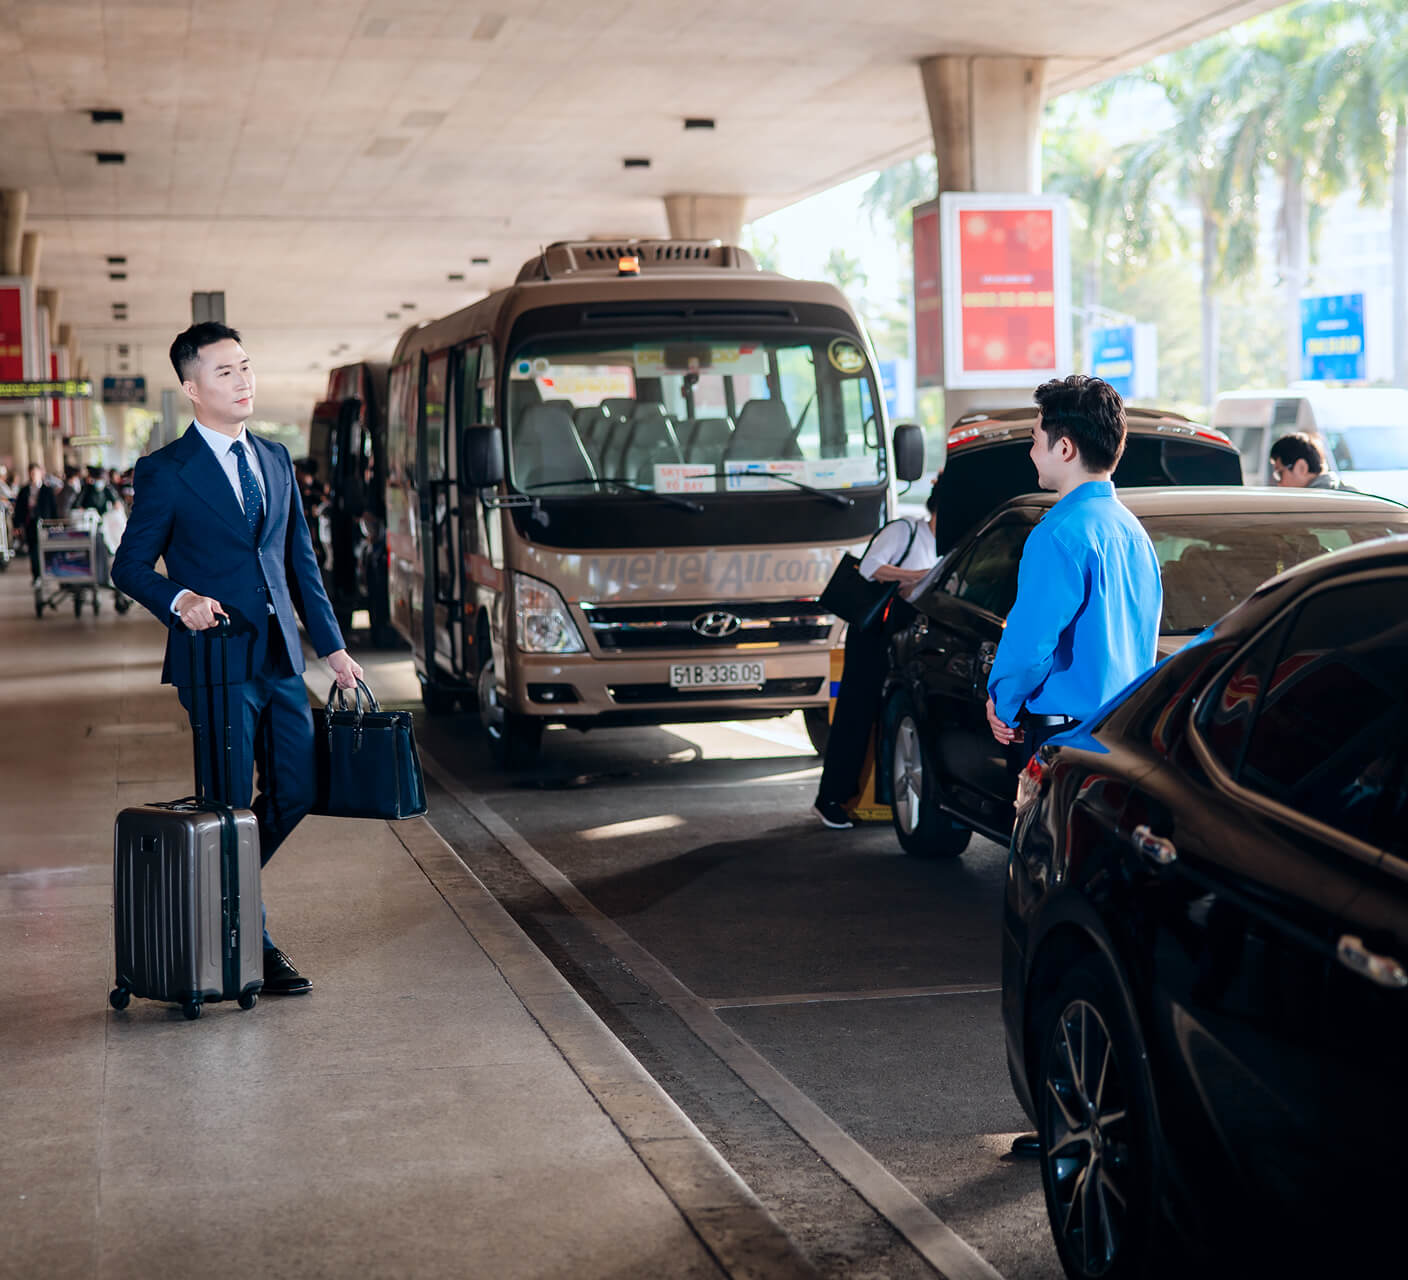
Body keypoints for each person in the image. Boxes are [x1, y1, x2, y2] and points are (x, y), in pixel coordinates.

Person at [112, 322, 363, 996]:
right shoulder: (166, 472)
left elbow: (300, 563)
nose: (243, 380)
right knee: (226, 805)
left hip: (281, 657)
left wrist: (334, 648)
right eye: (225, 372)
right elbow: (129, 566)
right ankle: (253, 941)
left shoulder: (276, 459)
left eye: (246, 367)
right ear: (192, 388)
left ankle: (222, 885)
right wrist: (180, 598)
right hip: (216, 662)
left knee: (300, 788)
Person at [985, 375, 1163, 766]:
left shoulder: (1057, 535)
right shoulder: (1134, 533)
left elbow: (1030, 645)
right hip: (1125, 735)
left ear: (1064, 447)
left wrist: (1003, 703)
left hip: (1063, 739)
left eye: (1034, 439)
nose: (1031, 452)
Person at [814, 485, 941, 829]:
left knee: (893, 716)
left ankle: (889, 799)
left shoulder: (945, 547)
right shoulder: (906, 530)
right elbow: (870, 567)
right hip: (872, 634)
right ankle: (831, 799)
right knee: (856, 715)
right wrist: (915, 576)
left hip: (904, 636)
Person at [12, 461, 56, 583]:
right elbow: (19, 509)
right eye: (31, 473)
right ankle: (37, 575)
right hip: (30, 524)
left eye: (35, 473)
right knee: (33, 550)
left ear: (40, 473)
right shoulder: (25, 490)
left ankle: (45, 572)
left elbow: (53, 508)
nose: (33, 475)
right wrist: (16, 524)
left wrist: (55, 524)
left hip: (44, 524)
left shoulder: (47, 490)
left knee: (44, 549)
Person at [1268, 431, 1356, 491]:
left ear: (1301, 467)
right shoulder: (1352, 496)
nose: (1279, 483)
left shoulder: (1309, 507)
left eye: (1279, 474)